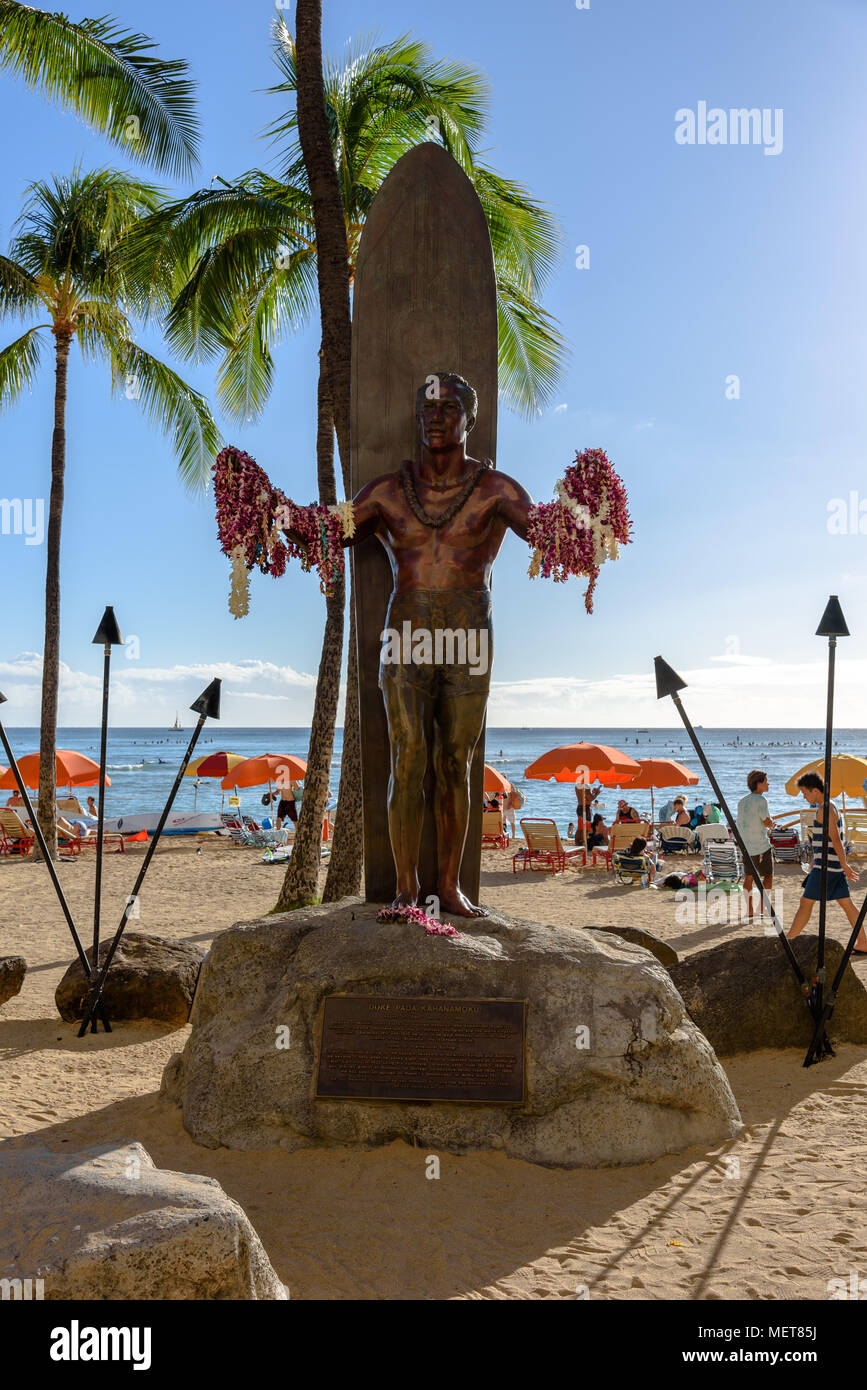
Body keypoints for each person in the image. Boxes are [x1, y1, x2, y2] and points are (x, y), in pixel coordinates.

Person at [787, 773, 866, 951]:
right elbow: (826, 840)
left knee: (806, 903)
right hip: (830, 865)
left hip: (827, 868)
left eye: (805, 793)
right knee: (846, 904)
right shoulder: (830, 806)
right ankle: (863, 942)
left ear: (815, 790)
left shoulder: (825, 809)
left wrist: (845, 865)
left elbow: (836, 840)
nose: (804, 796)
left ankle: (789, 942)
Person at [737, 769, 774, 919]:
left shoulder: (742, 801)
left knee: (749, 877)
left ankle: (750, 910)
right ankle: (762, 908)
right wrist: (771, 824)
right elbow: (766, 821)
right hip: (760, 845)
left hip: (745, 845)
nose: (768, 783)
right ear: (758, 784)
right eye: (765, 781)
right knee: (768, 876)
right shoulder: (761, 800)